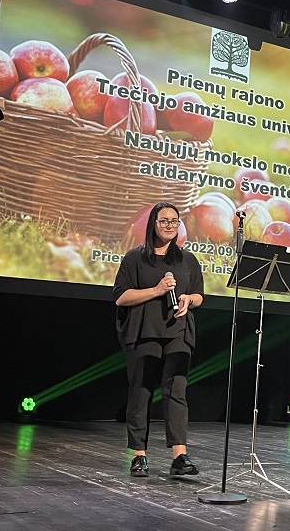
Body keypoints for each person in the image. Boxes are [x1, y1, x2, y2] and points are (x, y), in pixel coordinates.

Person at [113, 202, 205, 478]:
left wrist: (189, 299)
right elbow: (121, 297)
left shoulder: (187, 259)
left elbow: (199, 295)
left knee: (176, 391)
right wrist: (156, 290)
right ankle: (139, 456)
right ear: (152, 223)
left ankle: (179, 456)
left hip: (178, 331)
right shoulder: (135, 258)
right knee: (140, 393)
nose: (169, 226)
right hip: (144, 332)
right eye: (163, 221)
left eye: (174, 221)